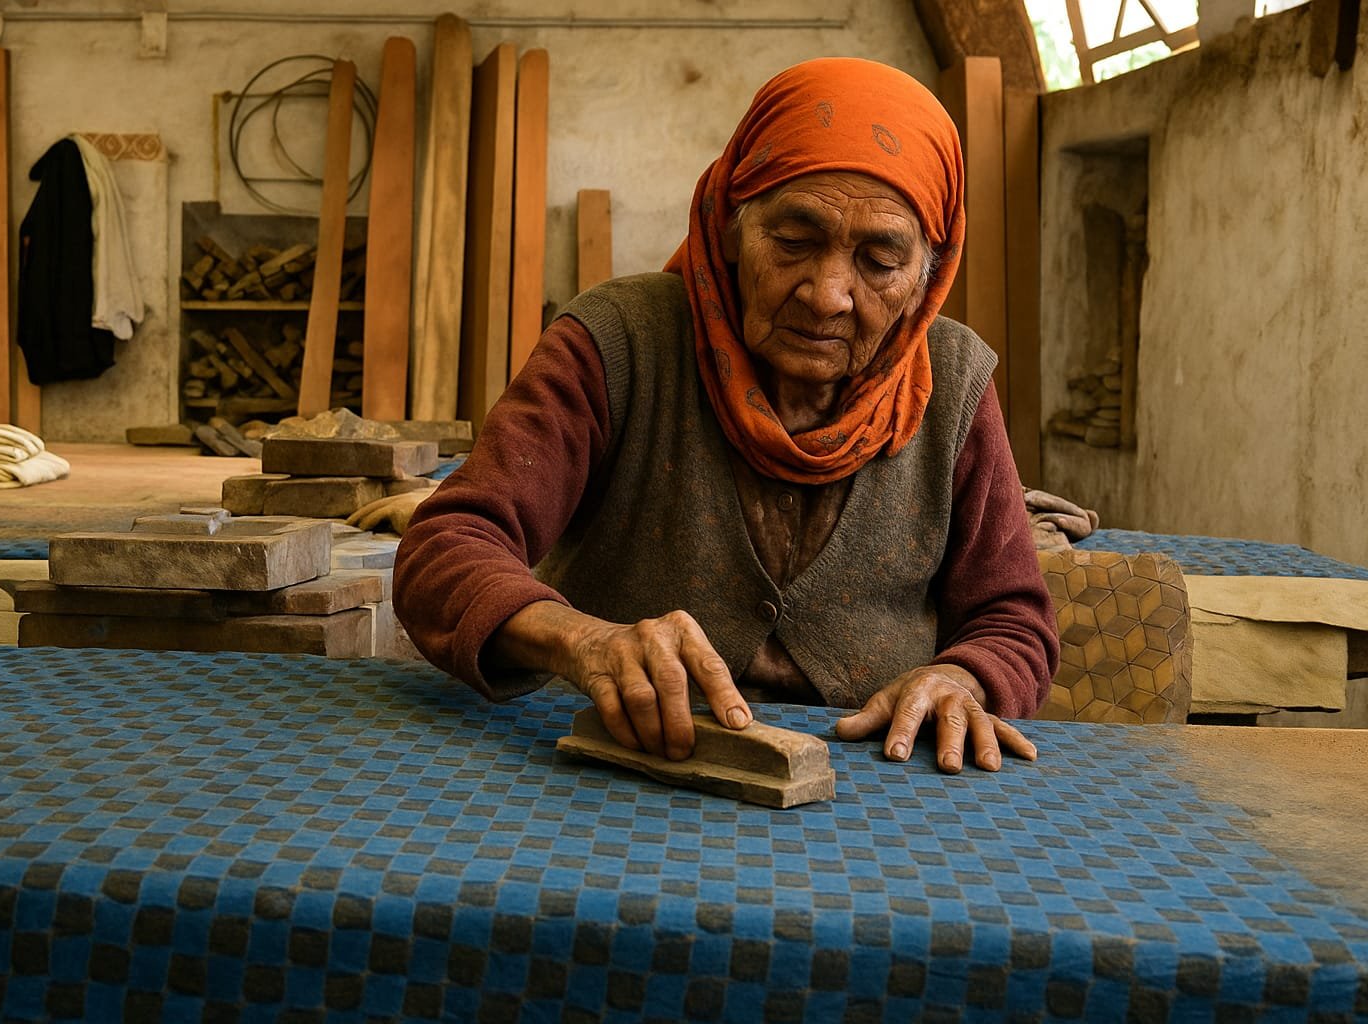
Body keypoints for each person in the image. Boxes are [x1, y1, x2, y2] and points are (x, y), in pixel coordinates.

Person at [395, 58, 1058, 774]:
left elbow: (1014, 621)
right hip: (616, 765)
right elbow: (446, 548)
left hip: (876, 791)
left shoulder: (953, 383)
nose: (828, 294)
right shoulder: (619, 343)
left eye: (878, 259)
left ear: (929, 271)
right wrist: (582, 641)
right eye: (795, 240)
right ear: (732, 224)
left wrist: (962, 678)